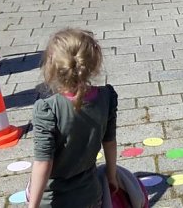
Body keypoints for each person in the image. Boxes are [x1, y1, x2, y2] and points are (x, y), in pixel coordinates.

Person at [27, 28, 118, 208]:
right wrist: (112, 175)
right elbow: (110, 142)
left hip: (54, 200)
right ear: (93, 61)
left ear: (51, 62)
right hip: (90, 194)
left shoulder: (47, 109)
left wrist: (32, 206)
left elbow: (43, 163)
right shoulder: (106, 97)